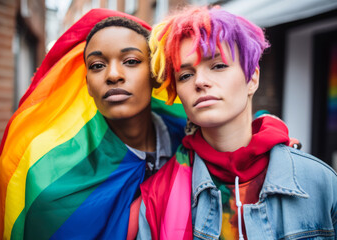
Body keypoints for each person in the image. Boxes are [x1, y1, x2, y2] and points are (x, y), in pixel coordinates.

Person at [138, 5, 337, 240]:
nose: (200, 81)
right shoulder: (157, 195)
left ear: (252, 78)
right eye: (185, 75)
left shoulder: (320, 182)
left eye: (218, 65)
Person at [0, 9, 186, 240]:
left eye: (131, 61)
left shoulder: (188, 140)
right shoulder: (53, 175)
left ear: (155, 74)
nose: (113, 75)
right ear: (87, 85)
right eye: (97, 65)